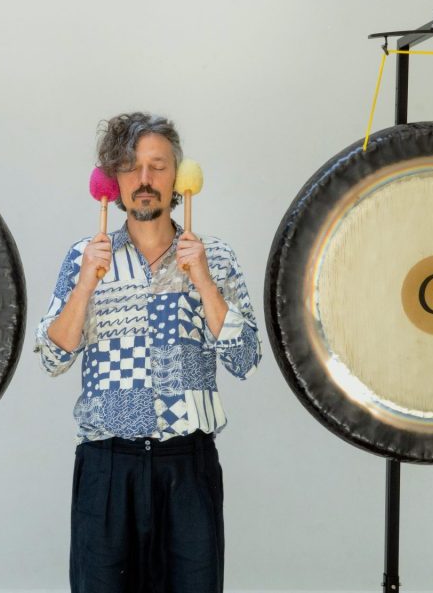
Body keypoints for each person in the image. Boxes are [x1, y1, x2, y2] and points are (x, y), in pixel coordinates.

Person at [34, 112, 261, 593]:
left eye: (158, 166)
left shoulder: (214, 256)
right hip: (108, 466)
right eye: (131, 168)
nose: (144, 180)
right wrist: (83, 288)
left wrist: (202, 278)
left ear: (178, 177)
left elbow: (245, 359)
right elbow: (53, 358)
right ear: (112, 181)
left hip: (188, 467)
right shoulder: (85, 256)